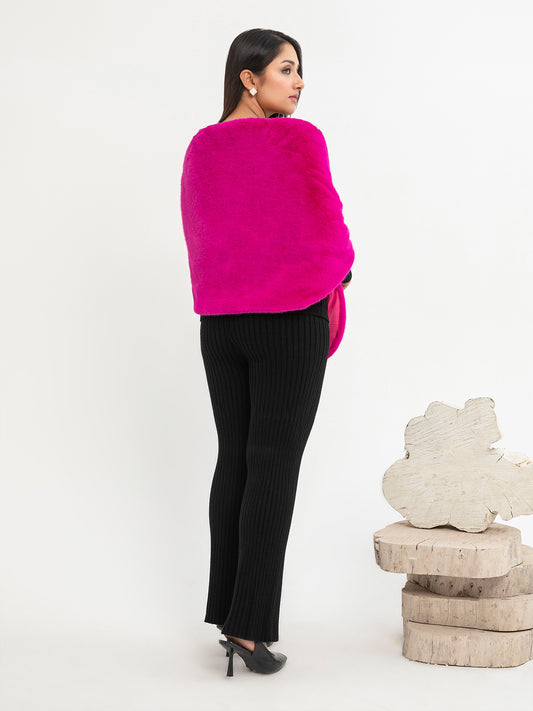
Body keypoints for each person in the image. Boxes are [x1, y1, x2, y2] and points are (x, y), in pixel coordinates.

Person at [180, 28, 355, 676]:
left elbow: (200, 231)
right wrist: (340, 272)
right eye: (286, 69)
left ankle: (228, 613)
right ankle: (248, 629)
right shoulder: (298, 139)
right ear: (248, 78)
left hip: (220, 324)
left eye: (299, 69)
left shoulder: (201, 146)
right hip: (286, 320)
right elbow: (327, 228)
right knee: (273, 465)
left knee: (235, 460)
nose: (299, 81)